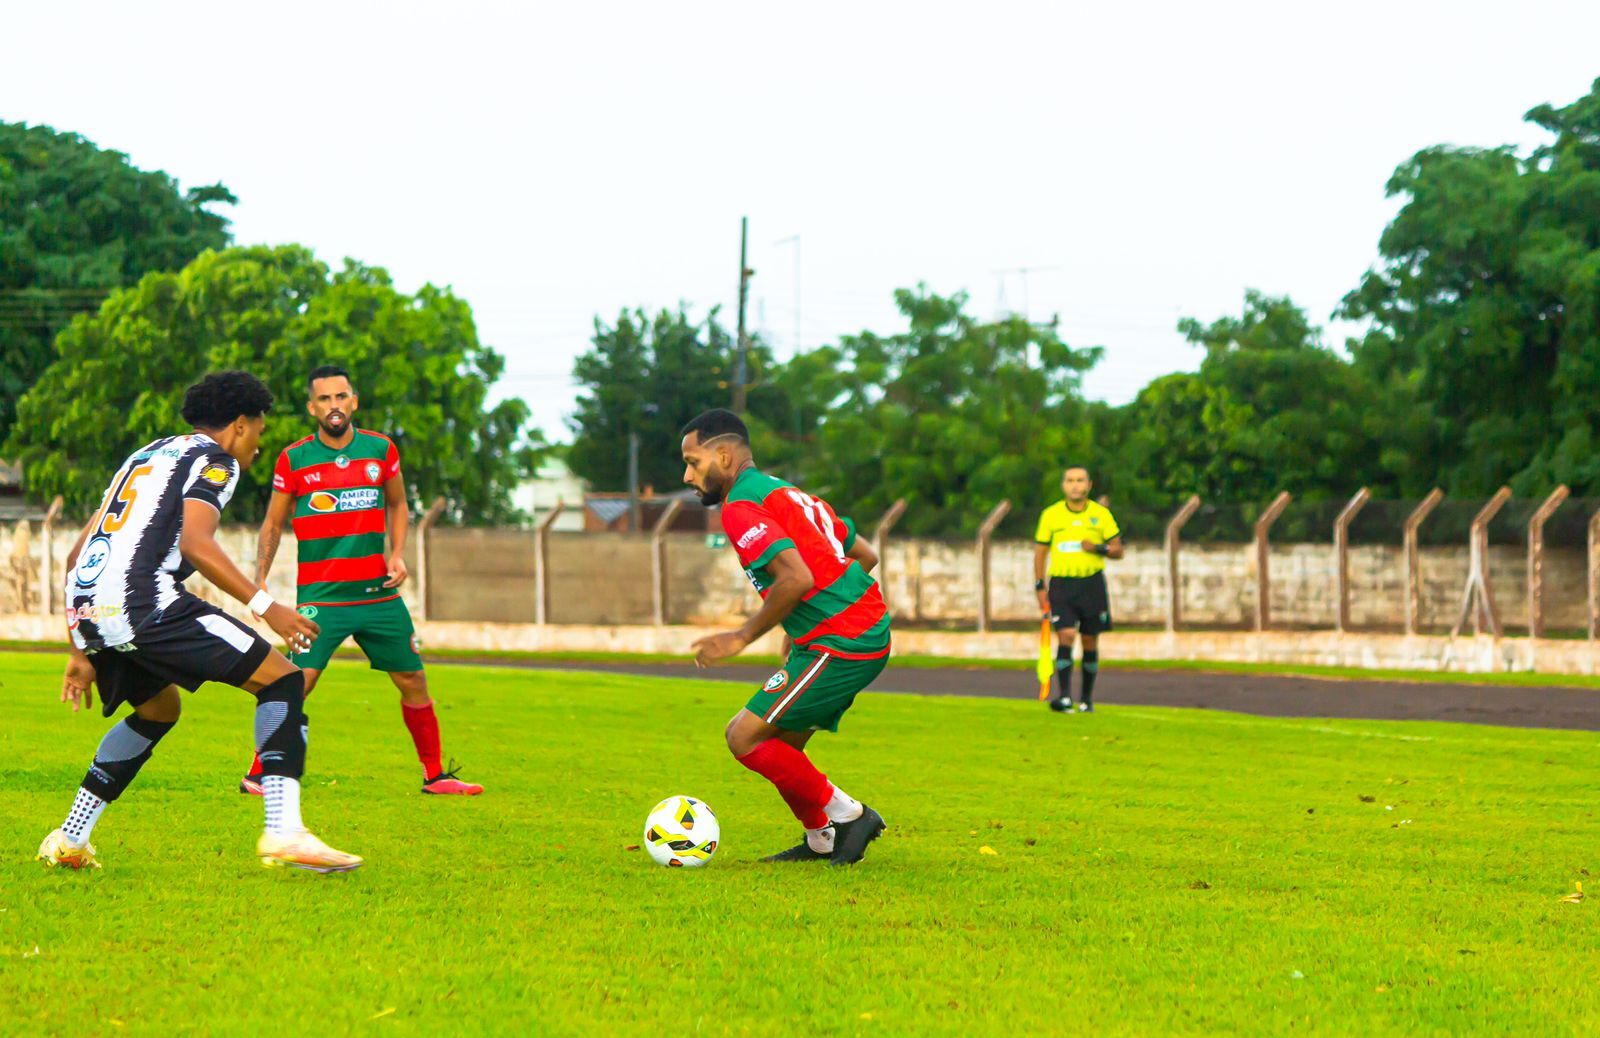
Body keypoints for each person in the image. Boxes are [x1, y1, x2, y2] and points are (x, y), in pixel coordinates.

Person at [38, 371, 362, 872]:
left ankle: (70, 838)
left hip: (89, 608)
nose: (259, 443)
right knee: (284, 680)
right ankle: (284, 830)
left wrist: (80, 649)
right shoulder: (216, 460)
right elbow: (196, 543)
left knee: (158, 711)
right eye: (258, 429)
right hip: (143, 603)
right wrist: (266, 606)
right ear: (239, 424)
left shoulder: (146, 455)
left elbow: (76, 554)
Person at [243, 365, 483, 796]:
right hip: (322, 598)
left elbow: (399, 505)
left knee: (413, 680)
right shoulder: (294, 459)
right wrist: (260, 578)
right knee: (297, 681)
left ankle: (435, 776)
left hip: (378, 595)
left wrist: (396, 554)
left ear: (353, 401)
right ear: (311, 407)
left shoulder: (380, 450)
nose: (334, 406)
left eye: (341, 397)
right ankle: (258, 773)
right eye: (324, 399)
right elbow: (273, 524)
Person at [680, 409, 890, 866]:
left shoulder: (740, 507)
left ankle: (849, 815)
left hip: (844, 641)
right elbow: (866, 555)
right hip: (850, 634)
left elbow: (794, 578)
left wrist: (741, 636)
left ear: (725, 455)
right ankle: (822, 840)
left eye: (693, 463)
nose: (688, 475)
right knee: (782, 747)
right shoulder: (785, 493)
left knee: (743, 737)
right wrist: (807, 628)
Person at [1033, 465, 1123, 713]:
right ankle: (1064, 697)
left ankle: (1086, 700)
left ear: (1089, 485)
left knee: (1089, 640)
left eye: (1080, 480)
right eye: (1070, 480)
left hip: (1091, 583)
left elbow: (1118, 549)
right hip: (1062, 584)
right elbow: (1040, 552)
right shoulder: (1051, 515)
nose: (1075, 485)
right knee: (1066, 635)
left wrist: (1098, 548)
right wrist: (1039, 585)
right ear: (1064, 485)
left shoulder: (1100, 515)